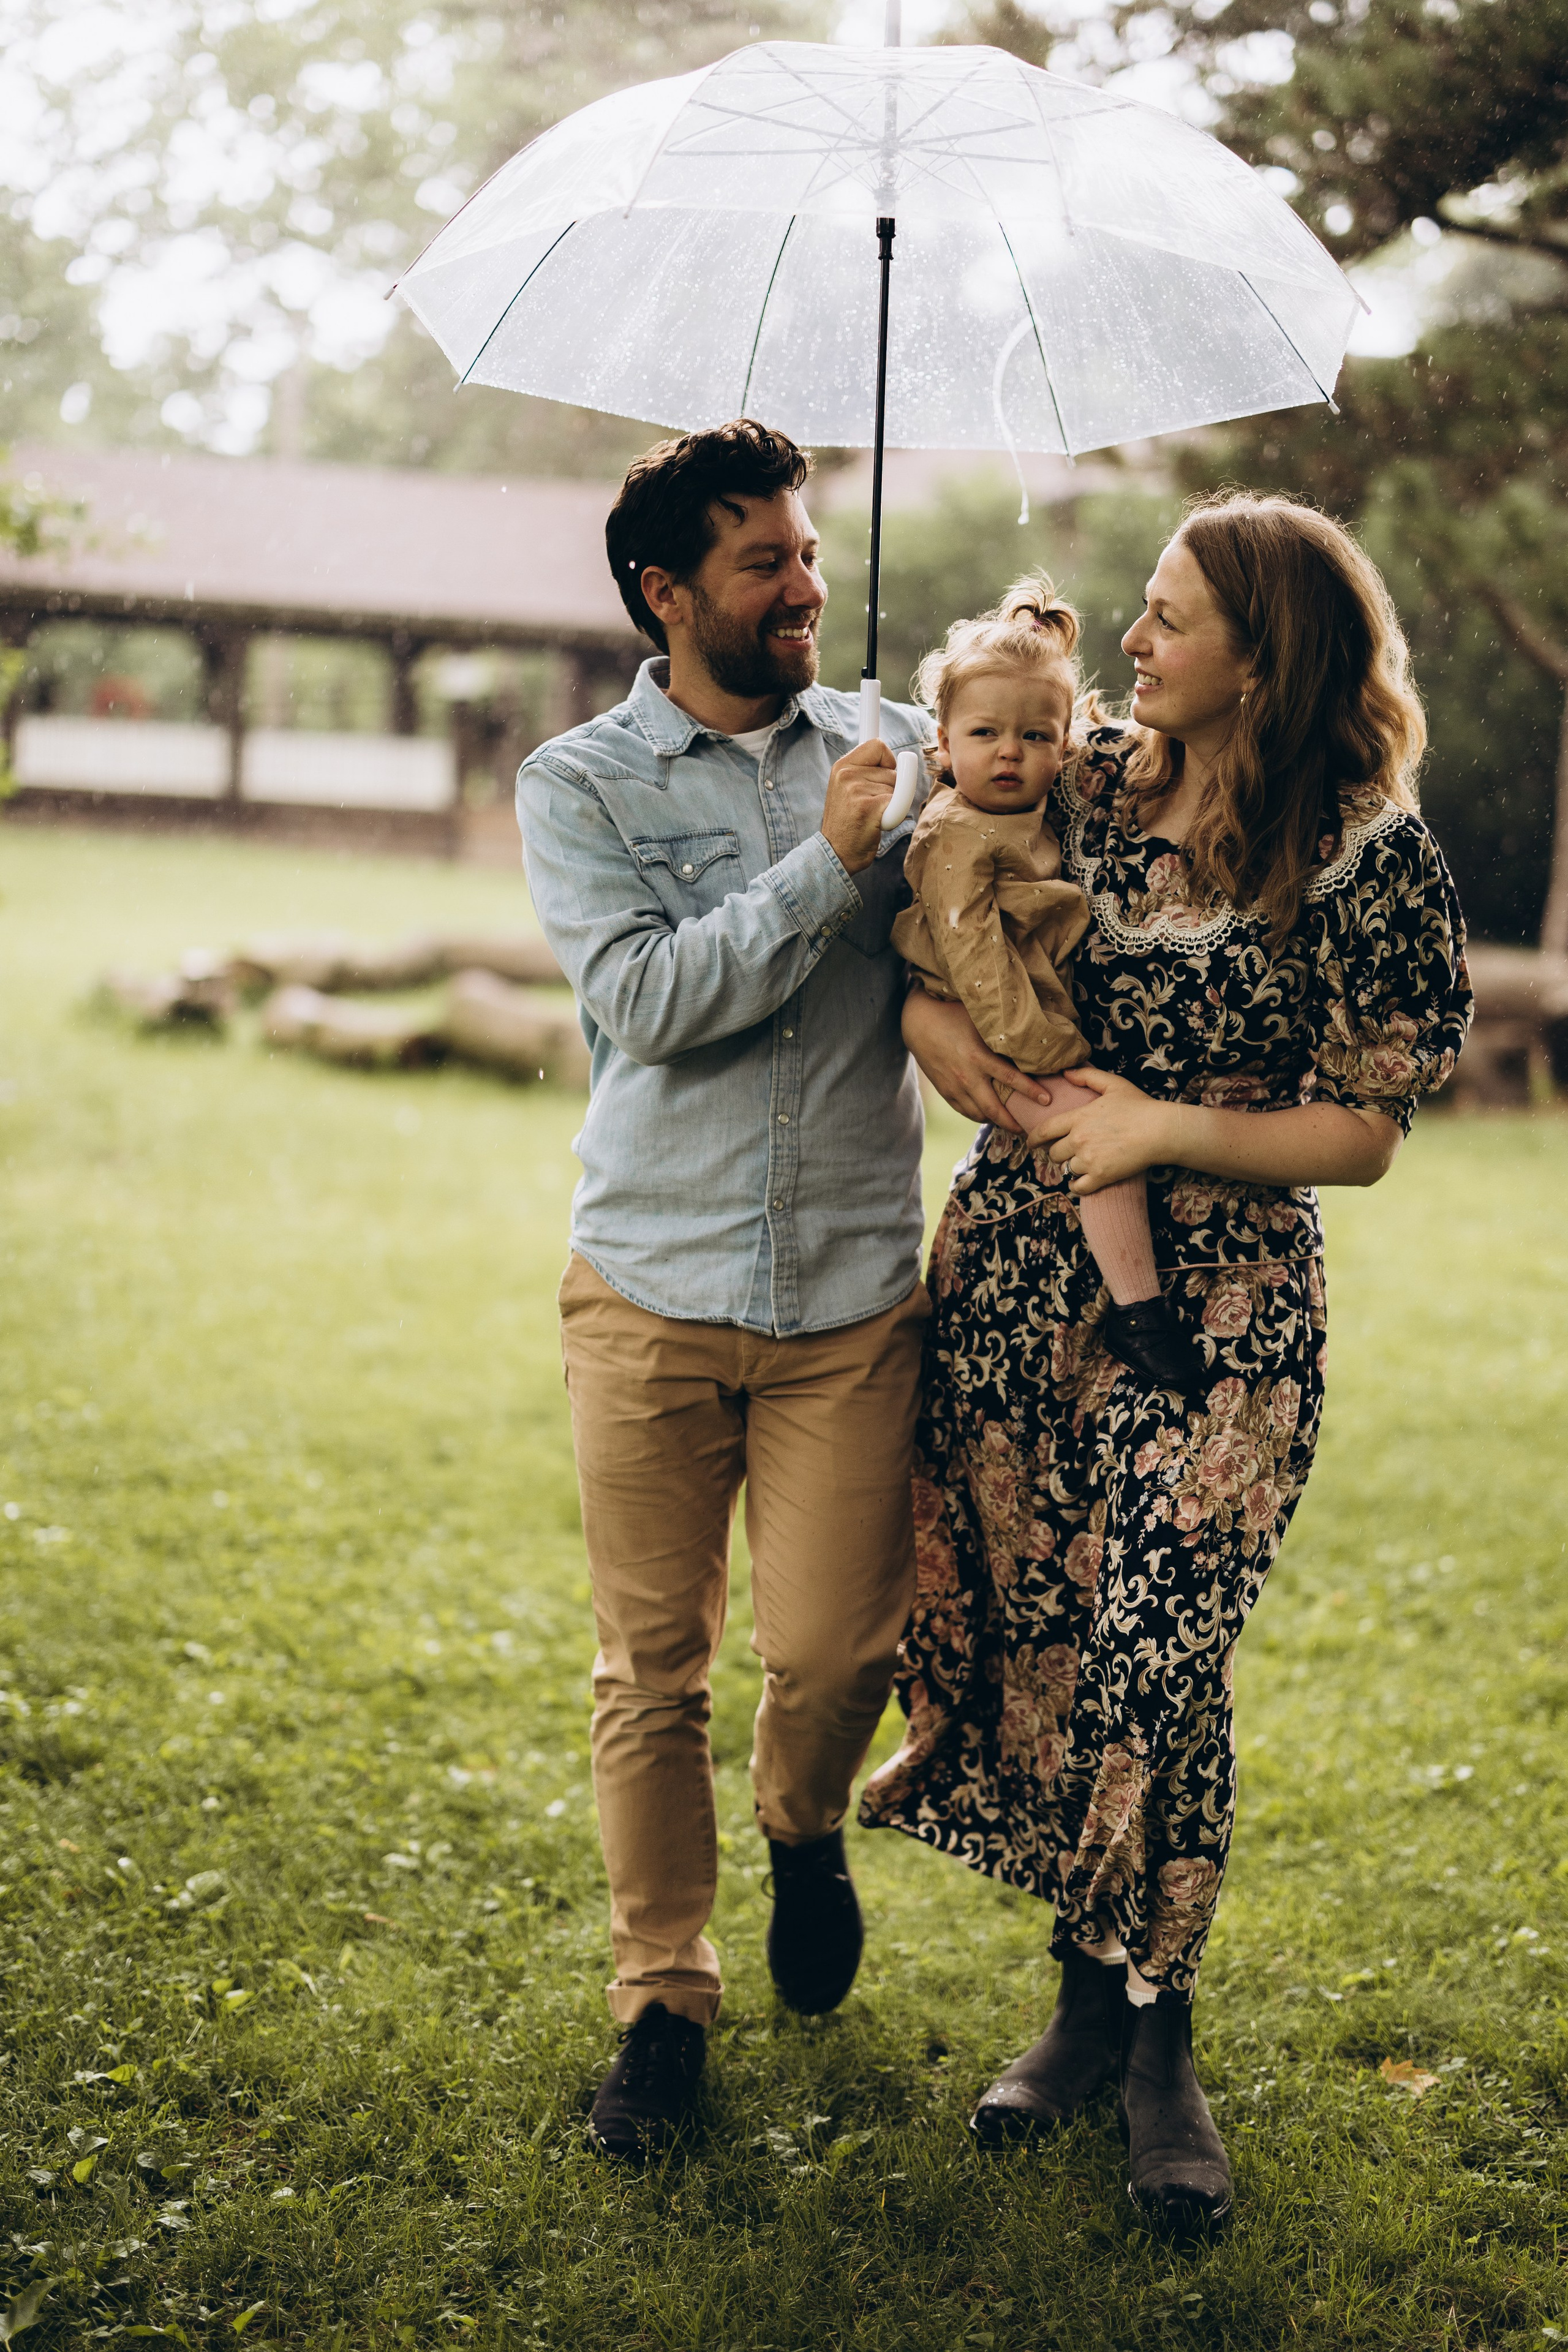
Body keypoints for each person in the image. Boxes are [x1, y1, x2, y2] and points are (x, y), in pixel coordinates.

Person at [861, 492, 1473, 2237]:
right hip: (1017, 1277)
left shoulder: (1366, 852)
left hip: (1223, 1302)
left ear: (1261, 654)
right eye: (1136, 611)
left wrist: (1161, 1127)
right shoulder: (1080, 780)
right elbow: (924, 936)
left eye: (1169, 617)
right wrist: (940, 1040)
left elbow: (1363, 1129)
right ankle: (1083, 2003)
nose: (1131, 644)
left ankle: (1158, 2045)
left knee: (1158, 1625)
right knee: (1054, 1627)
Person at [516, 418, 939, 2162]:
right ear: (666, 589)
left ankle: (801, 1822)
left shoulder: (897, 745)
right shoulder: (581, 785)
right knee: (653, 1666)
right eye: (764, 560)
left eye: (813, 550)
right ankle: (662, 2007)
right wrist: (826, 866)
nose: (807, 585)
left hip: (851, 1292)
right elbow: (656, 1002)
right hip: (654, 1284)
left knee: (839, 1650)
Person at [894, 577, 1197, 1394]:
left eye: (1035, 735)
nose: (1009, 752)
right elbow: (975, 959)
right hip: (995, 1025)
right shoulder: (957, 831)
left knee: (1095, 1142)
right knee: (1101, 1142)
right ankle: (1141, 1309)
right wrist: (1048, 1050)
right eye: (985, 733)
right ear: (945, 741)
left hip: (1019, 1012)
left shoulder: (1033, 804)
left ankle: (1122, 1298)